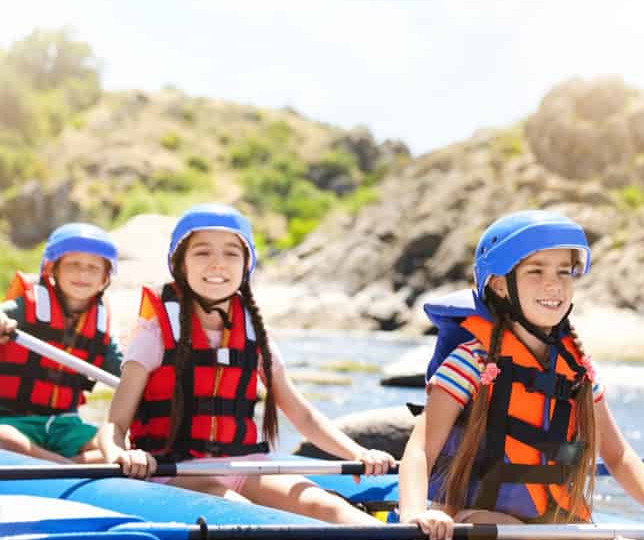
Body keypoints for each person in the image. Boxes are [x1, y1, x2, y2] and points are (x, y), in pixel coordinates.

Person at [398, 209, 644, 540]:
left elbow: (617, 454)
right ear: (498, 284)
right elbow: (420, 449)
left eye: (564, 272)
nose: (553, 284)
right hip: (472, 519)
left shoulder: (577, 370)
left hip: (553, 517)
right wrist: (416, 514)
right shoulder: (472, 360)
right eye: (535, 271)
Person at [98, 203, 393, 523]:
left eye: (231, 253)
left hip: (246, 463)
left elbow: (302, 415)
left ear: (246, 264)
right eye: (202, 252)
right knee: (243, 511)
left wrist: (358, 454)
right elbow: (115, 423)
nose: (217, 264)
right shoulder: (155, 330)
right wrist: (119, 454)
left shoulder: (252, 329)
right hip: (176, 469)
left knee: (327, 508)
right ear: (180, 264)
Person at [0, 223, 123, 463]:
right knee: (4, 439)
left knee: (122, 446)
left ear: (105, 278)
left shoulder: (101, 330)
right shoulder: (23, 310)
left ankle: (55, 463)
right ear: (52, 269)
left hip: (65, 425)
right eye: (73, 264)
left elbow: (127, 372)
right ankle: (67, 465)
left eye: (93, 267)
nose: (83, 274)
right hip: (12, 419)